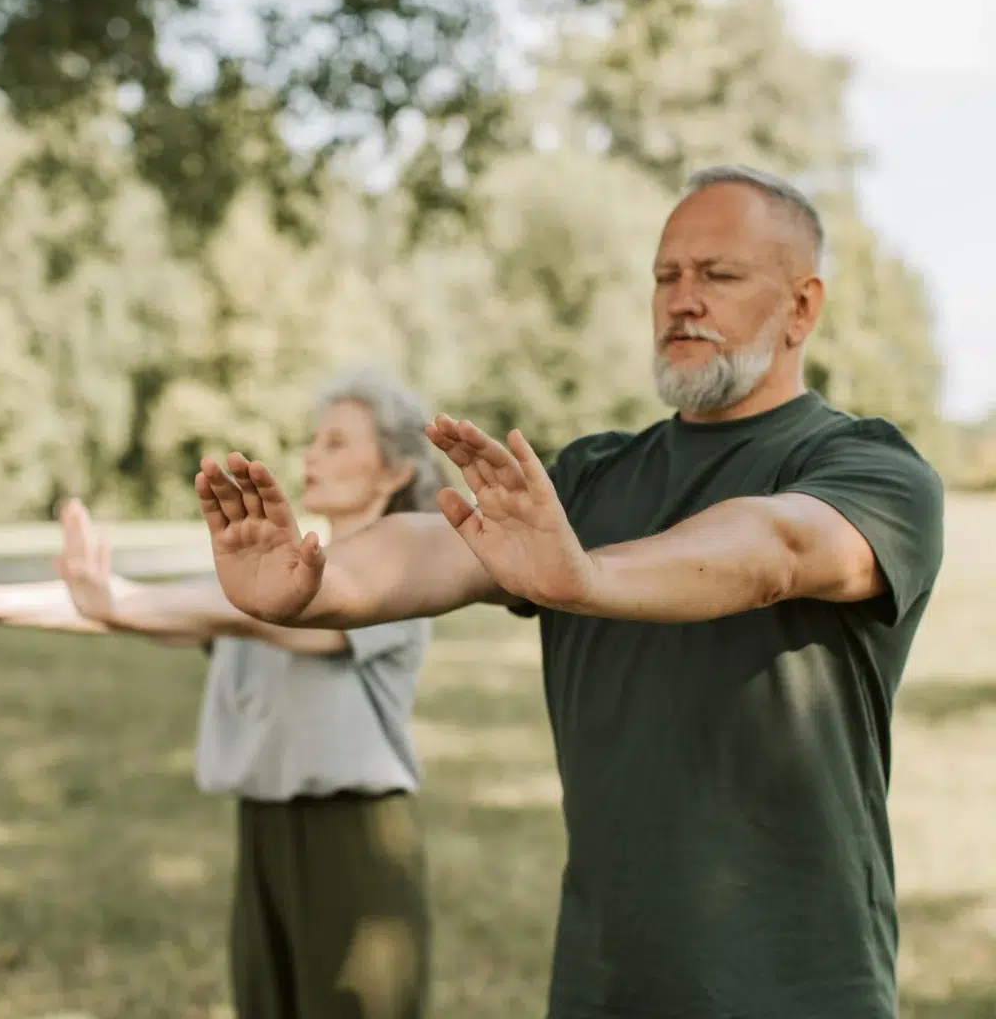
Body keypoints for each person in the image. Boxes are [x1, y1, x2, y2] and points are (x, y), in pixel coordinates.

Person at [193, 166, 945, 1018]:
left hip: (800, 984)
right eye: (666, 276)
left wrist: (590, 578)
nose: (682, 301)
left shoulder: (874, 470)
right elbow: (443, 544)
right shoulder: (594, 478)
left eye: (719, 275)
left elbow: (778, 546)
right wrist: (313, 590)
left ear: (803, 308)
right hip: (604, 980)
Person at [0, 369, 441, 1019]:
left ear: (393, 472)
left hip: (352, 835)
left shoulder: (407, 574)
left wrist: (119, 601)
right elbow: (153, 609)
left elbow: (255, 616)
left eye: (336, 442)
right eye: (312, 440)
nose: (310, 455)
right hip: (262, 827)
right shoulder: (264, 576)